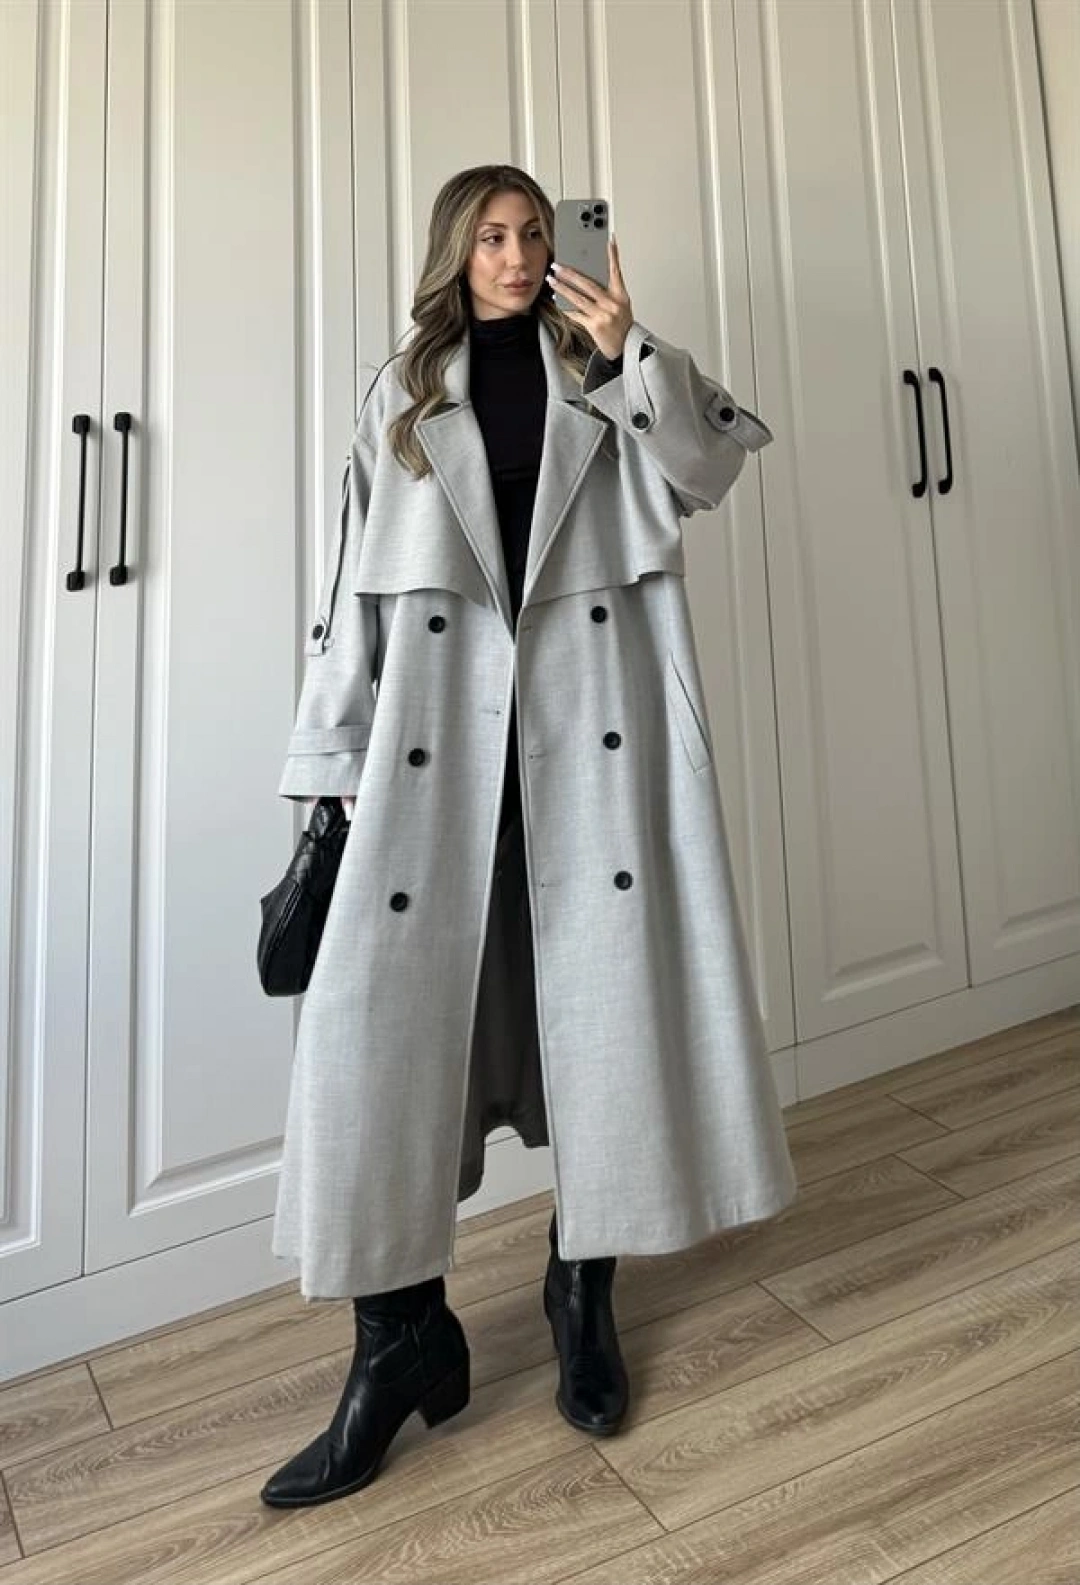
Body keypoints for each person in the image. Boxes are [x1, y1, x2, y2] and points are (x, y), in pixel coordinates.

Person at [260, 165, 797, 1509]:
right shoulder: (403, 394)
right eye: (493, 236)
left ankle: (581, 1287)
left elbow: (712, 471)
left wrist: (628, 354)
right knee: (378, 1038)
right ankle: (397, 1341)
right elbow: (349, 592)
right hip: (432, 748)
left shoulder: (606, 375)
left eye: (536, 235)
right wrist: (326, 769)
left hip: (588, 734)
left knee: (596, 1012)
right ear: (457, 250)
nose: (516, 255)